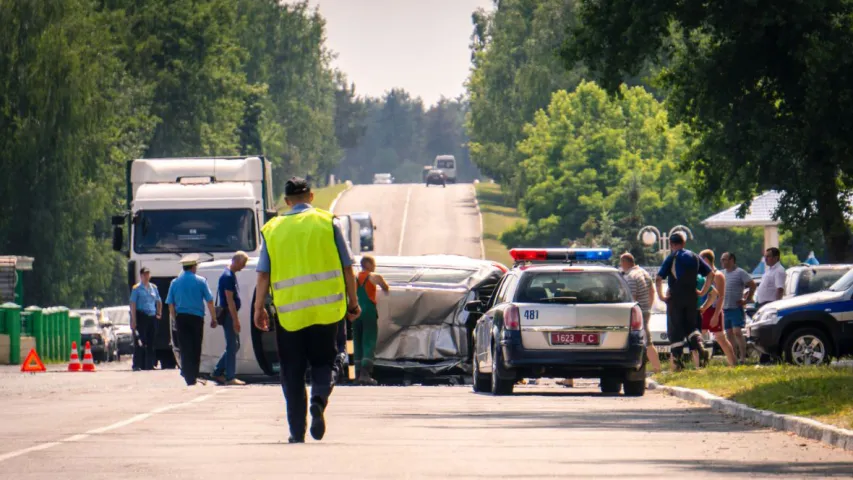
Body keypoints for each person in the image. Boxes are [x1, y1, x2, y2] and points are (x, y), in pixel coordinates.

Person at [253, 177, 361, 444]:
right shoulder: (329, 222)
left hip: (289, 315)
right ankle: (319, 398)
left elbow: (263, 275)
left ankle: (296, 431)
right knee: (327, 361)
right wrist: (353, 302)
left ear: (287, 201)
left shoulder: (273, 228)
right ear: (311, 196)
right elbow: (348, 267)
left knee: (291, 371)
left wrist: (259, 308)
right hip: (327, 312)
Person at [655, 233, 711, 371]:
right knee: (691, 327)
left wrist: (662, 296)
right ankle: (700, 346)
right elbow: (711, 274)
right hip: (692, 297)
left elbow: (658, 278)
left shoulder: (672, 257)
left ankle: (678, 363)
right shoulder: (694, 256)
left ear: (671, 244)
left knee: (676, 328)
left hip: (675, 298)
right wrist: (702, 291)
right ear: (684, 243)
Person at [165, 253, 217, 386]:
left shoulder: (175, 282)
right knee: (195, 346)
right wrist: (214, 318)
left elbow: (170, 303)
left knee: (184, 347)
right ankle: (193, 374)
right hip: (197, 318)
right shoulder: (201, 281)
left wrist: (174, 318)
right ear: (193, 267)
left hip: (181, 318)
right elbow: (209, 300)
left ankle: (188, 375)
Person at [619, 253, 662, 374]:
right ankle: (656, 367)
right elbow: (652, 291)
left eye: (621, 263)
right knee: (647, 340)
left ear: (624, 262)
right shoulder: (643, 272)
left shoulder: (631, 276)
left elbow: (632, 298)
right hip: (645, 310)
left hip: (637, 313)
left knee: (640, 341)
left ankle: (643, 369)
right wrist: (648, 306)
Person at [211, 251, 249, 386]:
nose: (243, 267)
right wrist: (235, 320)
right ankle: (230, 377)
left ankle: (218, 372)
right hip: (228, 315)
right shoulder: (227, 276)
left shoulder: (229, 274)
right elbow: (230, 300)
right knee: (232, 345)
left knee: (235, 345)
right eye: (243, 264)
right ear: (236, 261)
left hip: (229, 314)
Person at [353, 255, 390, 385]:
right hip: (368, 311)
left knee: (357, 341)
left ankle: (356, 375)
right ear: (368, 264)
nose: (375, 266)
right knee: (368, 340)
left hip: (355, 312)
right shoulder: (374, 276)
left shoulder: (354, 278)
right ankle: (365, 374)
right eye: (373, 264)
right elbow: (386, 288)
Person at [697, 249, 737, 366]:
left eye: (701, 260)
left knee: (721, 338)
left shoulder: (718, 275)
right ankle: (701, 364)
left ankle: (733, 363)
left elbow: (720, 297)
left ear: (706, 260)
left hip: (714, 310)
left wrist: (716, 316)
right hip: (703, 309)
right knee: (699, 336)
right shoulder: (702, 275)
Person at [720, 252, 756, 364]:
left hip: (736, 307)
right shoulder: (722, 274)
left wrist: (747, 299)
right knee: (729, 333)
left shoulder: (740, 272)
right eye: (721, 259)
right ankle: (734, 358)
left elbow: (752, 285)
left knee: (737, 332)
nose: (722, 262)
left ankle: (743, 358)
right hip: (725, 308)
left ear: (731, 260)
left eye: (724, 259)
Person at [129, 266, 162, 371]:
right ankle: (137, 364)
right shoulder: (136, 288)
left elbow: (159, 301)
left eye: (148, 274)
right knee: (140, 342)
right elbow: (133, 304)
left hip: (152, 316)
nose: (147, 276)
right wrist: (134, 320)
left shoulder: (154, 287)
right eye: (144, 275)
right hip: (141, 316)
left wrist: (159, 313)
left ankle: (150, 364)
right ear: (141, 276)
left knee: (151, 342)